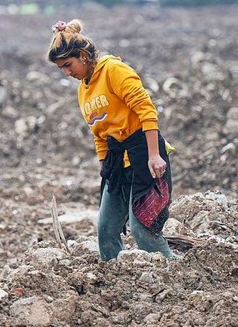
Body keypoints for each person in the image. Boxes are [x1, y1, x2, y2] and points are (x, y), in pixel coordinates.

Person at [47, 19, 175, 260]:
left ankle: (175, 273)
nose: (66, 72)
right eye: (60, 68)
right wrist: (105, 167)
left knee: (143, 229)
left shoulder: (113, 70)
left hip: (144, 154)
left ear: (83, 55)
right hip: (117, 162)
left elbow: (146, 109)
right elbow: (99, 134)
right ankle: (114, 283)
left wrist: (154, 155)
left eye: (68, 64)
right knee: (106, 230)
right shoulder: (83, 90)